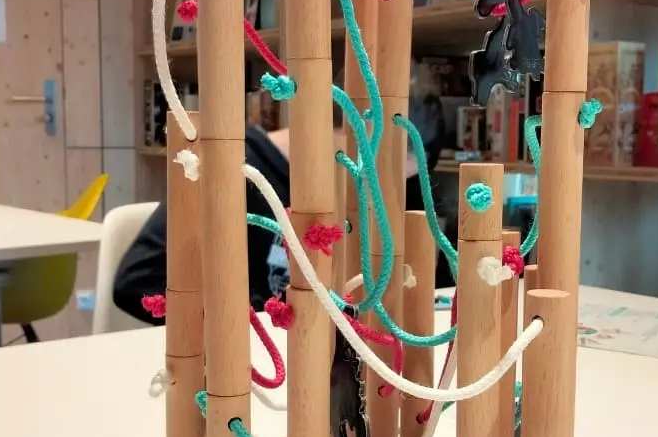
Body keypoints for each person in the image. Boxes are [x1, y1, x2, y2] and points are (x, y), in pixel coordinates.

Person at [113, 90, 446, 324]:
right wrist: (250, 323)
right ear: (360, 139)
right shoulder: (231, 166)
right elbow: (137, 283)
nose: (372, 191)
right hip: (235, 374)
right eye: (375, 176)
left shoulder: (337, 186)